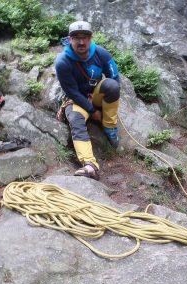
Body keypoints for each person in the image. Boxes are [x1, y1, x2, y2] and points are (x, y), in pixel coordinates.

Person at [55, 20, 120, 180]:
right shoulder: (62, 62)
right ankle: (89, 164)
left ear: (91, 38)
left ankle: (110, 126)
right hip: (77, 100)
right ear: (70, 39)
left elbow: (115, 77)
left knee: (112, 86)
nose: (81, 42)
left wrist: (107, 101)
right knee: (76, 119)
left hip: (97, 94)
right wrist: (92, 111)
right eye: (76, 38)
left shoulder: (101, 53)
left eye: (85, 37)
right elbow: (72, 92)